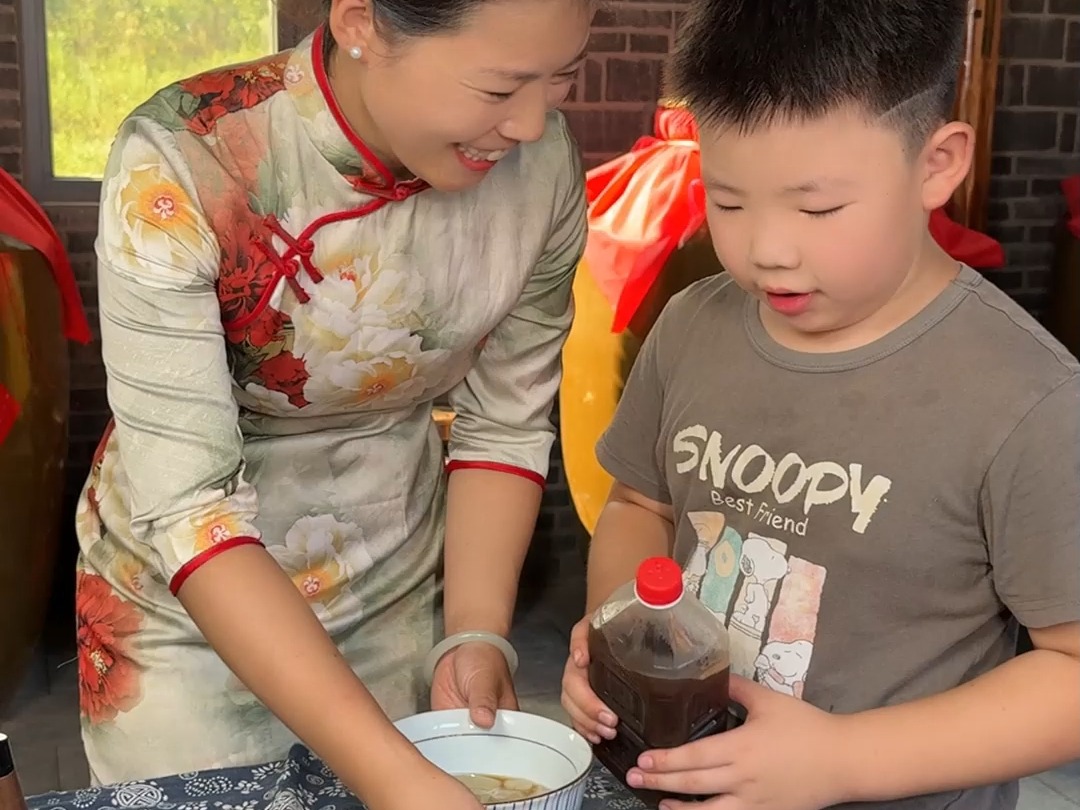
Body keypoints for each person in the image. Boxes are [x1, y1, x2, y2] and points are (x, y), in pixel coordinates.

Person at [74, 0, 594, 805]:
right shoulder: (183, 159)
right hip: (192, 597)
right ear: (361, 22)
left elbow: (506, 422)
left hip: (395, 568)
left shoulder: (545, 169)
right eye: (500, 89)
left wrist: (475, 630)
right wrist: (395, 779)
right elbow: (188, 504)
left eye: (561, 79)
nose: (531, 126)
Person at [561, 1, 1080, 808]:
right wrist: (618, 633)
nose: (767, 249)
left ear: (937, 165)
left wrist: (841, 760)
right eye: (728, 201)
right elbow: (639, 503)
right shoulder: (695, 325)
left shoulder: (1028, 398)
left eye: (817, 208)